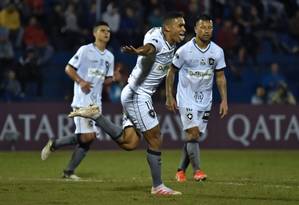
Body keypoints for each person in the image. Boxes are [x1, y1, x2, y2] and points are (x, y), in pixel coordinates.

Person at [68, 12, 186, 195]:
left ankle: (96, 116)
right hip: (138, 95)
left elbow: (169, 69)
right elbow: (149, 48)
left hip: (133, 93)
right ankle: (158, 186)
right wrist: (138, 51)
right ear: (168, 28)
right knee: (155, 137)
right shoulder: (157, 39)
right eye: (180, 26)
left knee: (129, 142)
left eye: (184, 26)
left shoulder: (171, 41)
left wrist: (170, 95)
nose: (183, 29)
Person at [41, 21, 119, 180]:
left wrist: (114, 79)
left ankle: (68, 170)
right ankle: (56, 145)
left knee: (87, 139)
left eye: (108, 31)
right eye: (103, 30)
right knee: (88, 136)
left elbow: (104, 80)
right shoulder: (85, 50)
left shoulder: (110, 56)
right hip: (82, 100)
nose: (106, 33)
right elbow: (68, 68)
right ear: (95, 33)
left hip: (96, 103)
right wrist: (81, 81)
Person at [165, 14, 228, 182]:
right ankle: (197, 171)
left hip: (205, 100)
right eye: (203, 28)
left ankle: (180, 170)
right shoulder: (184, 50)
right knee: (192, 133)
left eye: (209, 28)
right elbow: (171, 72)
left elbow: (220, 76)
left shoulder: (217, 51)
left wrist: (224, 100)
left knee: (194, 136)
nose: (207, 31)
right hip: (186, 97)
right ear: (195, 29)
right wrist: (169, 95)